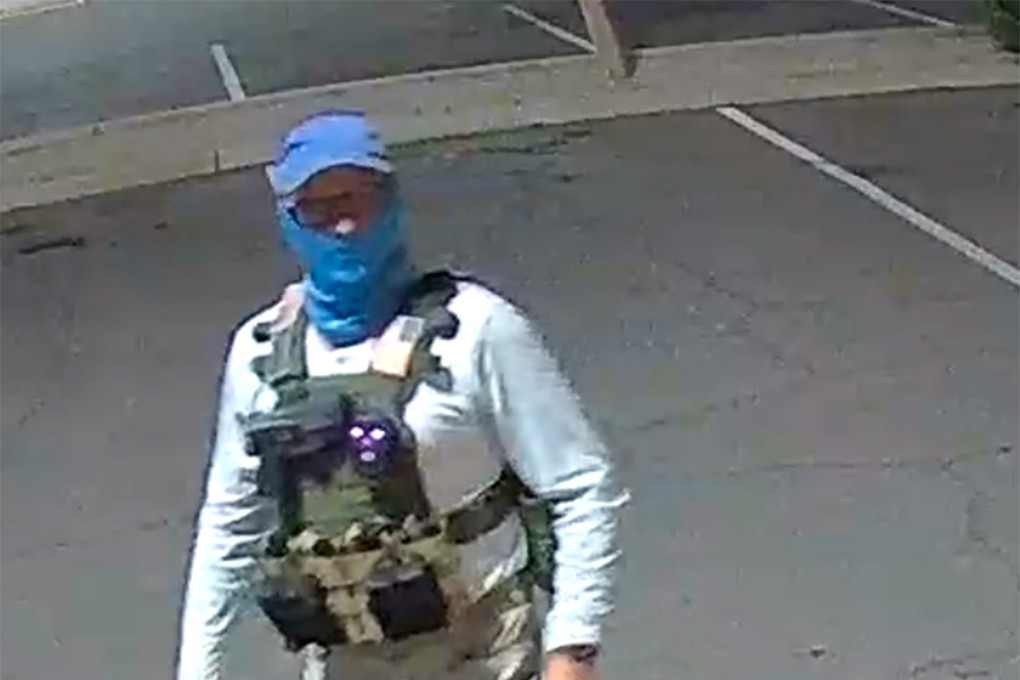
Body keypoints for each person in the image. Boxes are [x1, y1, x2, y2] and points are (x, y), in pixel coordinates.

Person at [175, 111, 627, 680]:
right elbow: (230, 521)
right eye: (319, 208)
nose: (343, 226)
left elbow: (581, 486)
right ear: (289, 221)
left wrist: (573, 647)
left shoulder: (476, 329)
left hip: (482, 648)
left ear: (392, 204)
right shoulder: (261, 354)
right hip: (343, 657)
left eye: (359, 200)